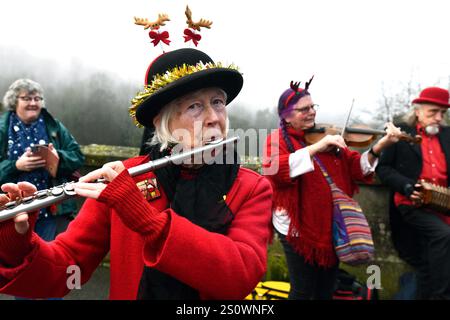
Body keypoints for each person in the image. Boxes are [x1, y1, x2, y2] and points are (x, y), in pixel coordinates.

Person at [0, 48, 273, 300]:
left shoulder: (251, 187)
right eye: (195, 106)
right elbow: (68, 270)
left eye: (218, 102)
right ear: (162, 121)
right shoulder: (125, 177)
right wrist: (16, 244)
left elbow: (240, 277)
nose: (215, 117)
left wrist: (150, 223)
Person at [262, 79, 401, 300]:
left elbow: (358, 169)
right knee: (303, 292)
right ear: (286, 115)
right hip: (297, 229)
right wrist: (318, 147)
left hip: (331, 226)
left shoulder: (328, 138)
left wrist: (383, 143)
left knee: (326, 290)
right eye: (304, 109)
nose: (312, 113)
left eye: (313, 107)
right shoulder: (277, 140)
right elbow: (275, 170)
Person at [376, 87, 450, 300]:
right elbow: (383, 169)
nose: (438, 118)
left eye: (442, 113)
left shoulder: (447, 136)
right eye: (432, 112)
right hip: (411, 204)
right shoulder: (400, 133)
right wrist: (408, 187)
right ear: (417, 111)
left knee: (429, 264)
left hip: (443, 206)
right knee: (443, 235)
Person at [0, 79, 85, 242]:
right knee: (14, 259)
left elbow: (77, 156)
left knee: (46, 259)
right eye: (26, 98)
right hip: (10, 212)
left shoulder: (54, 126)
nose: (33, 103)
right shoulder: (2, 128)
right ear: (14, 101)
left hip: (49, 211)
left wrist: (57, 158)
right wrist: (16, 166)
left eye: (37, 99)